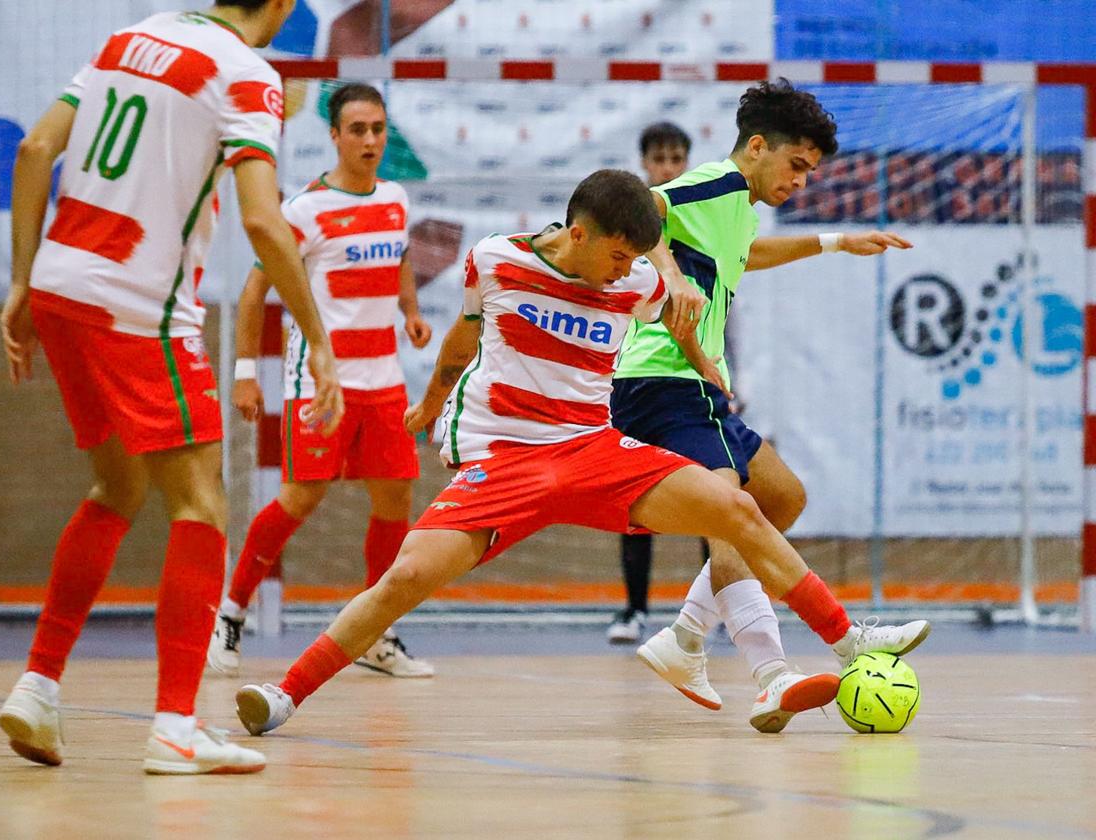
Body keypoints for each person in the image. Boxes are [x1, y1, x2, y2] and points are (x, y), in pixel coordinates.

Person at [230, 169, 929, 737]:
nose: (624, 270)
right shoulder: (497, 260)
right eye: (617, 254)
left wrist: (702, 361)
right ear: (578, 232)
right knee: (404, 580)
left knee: (737, 507)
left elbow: (674, 308)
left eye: (635, 259)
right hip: (506, 460)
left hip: (594, 449)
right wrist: (433, 403)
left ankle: (846, 643)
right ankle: (284, 695)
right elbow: (463, 340)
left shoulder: (636, 281)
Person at [0, 0, 344, 775]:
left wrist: (20, 283)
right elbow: (262, 222)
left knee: (116, 487)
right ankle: (177, 726)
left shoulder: (133, 35)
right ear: (283, 7)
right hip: (138, 307)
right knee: (202, 504)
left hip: (58, 287)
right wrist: (317, 340)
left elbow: (33, 150)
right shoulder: (246, 73)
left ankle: (38, 685)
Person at [620, 79, 915, 732]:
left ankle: (686, 637)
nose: (802, 183)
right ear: (757, 147)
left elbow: (743, 257)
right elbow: (635, 204)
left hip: (696, 385)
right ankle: (770, 675)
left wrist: (835, 241)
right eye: (797, 167)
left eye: (810, 173)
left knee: (781, 498)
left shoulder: (737, 211)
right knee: (735, 514)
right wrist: (667, 275)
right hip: (659, 379)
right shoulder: (715, 185)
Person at [206, 83, 435, 679]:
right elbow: (256, 290)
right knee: (300, 497)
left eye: (378, 128)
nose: (369, 140)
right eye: (357, 129)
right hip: (320, 381)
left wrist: (409, 311)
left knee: (395, 499)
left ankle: (376, 633)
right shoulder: (304, 210)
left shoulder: (395, 198)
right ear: (333, 135)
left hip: (384, 377)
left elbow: (402, 254)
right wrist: (245, 374)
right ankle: (229, 615)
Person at [607, 120, 696, 645]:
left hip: (692, 380)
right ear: (645, 164)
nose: (667, 167)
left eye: (676, 158)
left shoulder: (702, 222)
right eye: (659, 159)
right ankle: (634, 609)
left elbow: (726, 306)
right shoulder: (630, 233)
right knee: (635, 500)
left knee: (720, 491)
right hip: (638, 379)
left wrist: (733, 370)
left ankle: (714, 613)